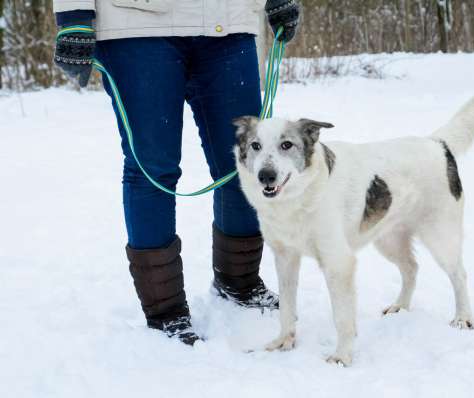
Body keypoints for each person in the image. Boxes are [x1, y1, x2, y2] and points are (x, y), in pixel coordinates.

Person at [53, 0, 300, 346]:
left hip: (227, 23)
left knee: (245, 164)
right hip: (137, 26)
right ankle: (164, 308)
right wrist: (74, 18)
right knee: (151, 169)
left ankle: (239, 282)